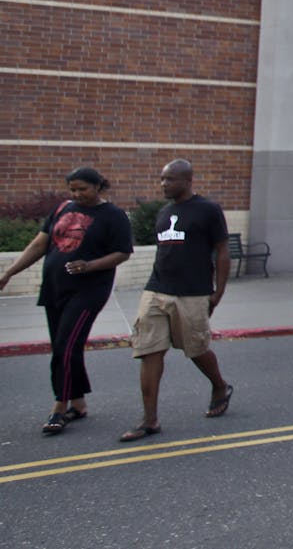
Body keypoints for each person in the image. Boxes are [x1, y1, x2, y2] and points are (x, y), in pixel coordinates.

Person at [0, 167, 133, 436]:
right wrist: (9, 273)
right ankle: (79, 403)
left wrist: (90, 265)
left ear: (98, 186)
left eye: (82, 188)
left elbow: (122, 253)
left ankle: (59, 408)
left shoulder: (114, 216)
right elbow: (39, 245)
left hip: (89, 290)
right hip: (55, 287)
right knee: (64, 346)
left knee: (66, 347)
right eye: (72, 189)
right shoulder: (62, 209)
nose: (76, 194)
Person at [120, 160, 233, 442]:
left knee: (196, 348)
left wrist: (218, 292)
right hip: (157, 290)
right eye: (161, 179)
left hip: (193, 292)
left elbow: (222, 250)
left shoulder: (208, 210)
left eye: (169, 179)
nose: (163, 184)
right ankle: (150, 420)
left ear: (187, 180)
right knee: (149, 350)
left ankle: (219, 385)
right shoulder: (164, 212)